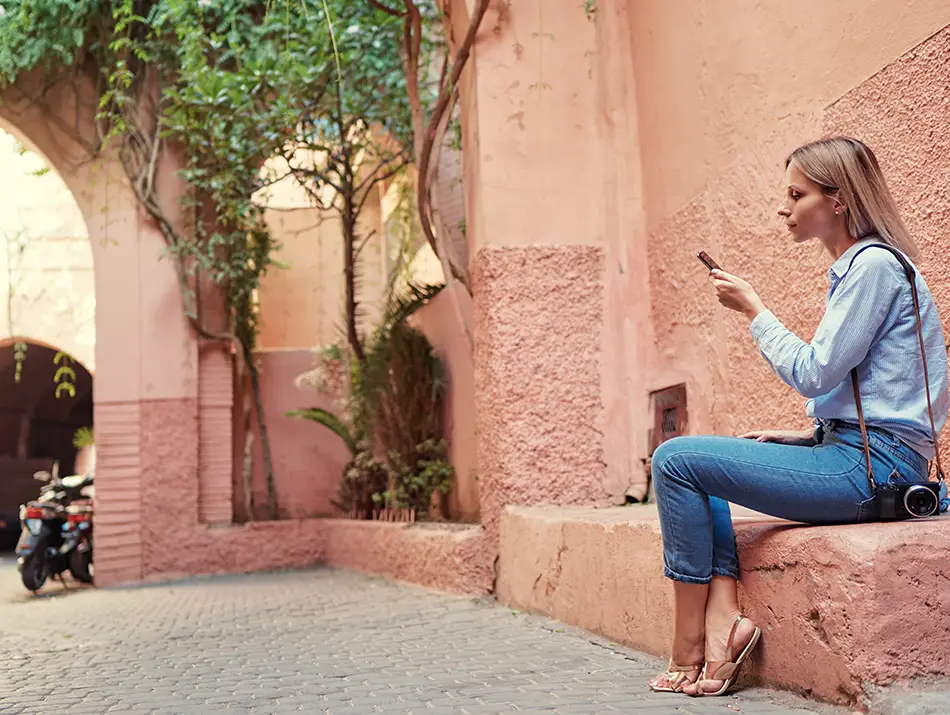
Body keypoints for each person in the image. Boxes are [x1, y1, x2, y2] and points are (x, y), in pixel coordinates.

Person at [646, 136, 949, 697]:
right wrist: (805, 437)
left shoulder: (874, 266)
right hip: (863, 454)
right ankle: (723, 621)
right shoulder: (863, 268)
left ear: (838, 200)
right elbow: (872, 392)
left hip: (873, 468)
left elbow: (815, 373)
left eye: (795, 194)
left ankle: (690, 646)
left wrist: (754, 310)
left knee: (674, 460)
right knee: (701, 466)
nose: (782, 209)